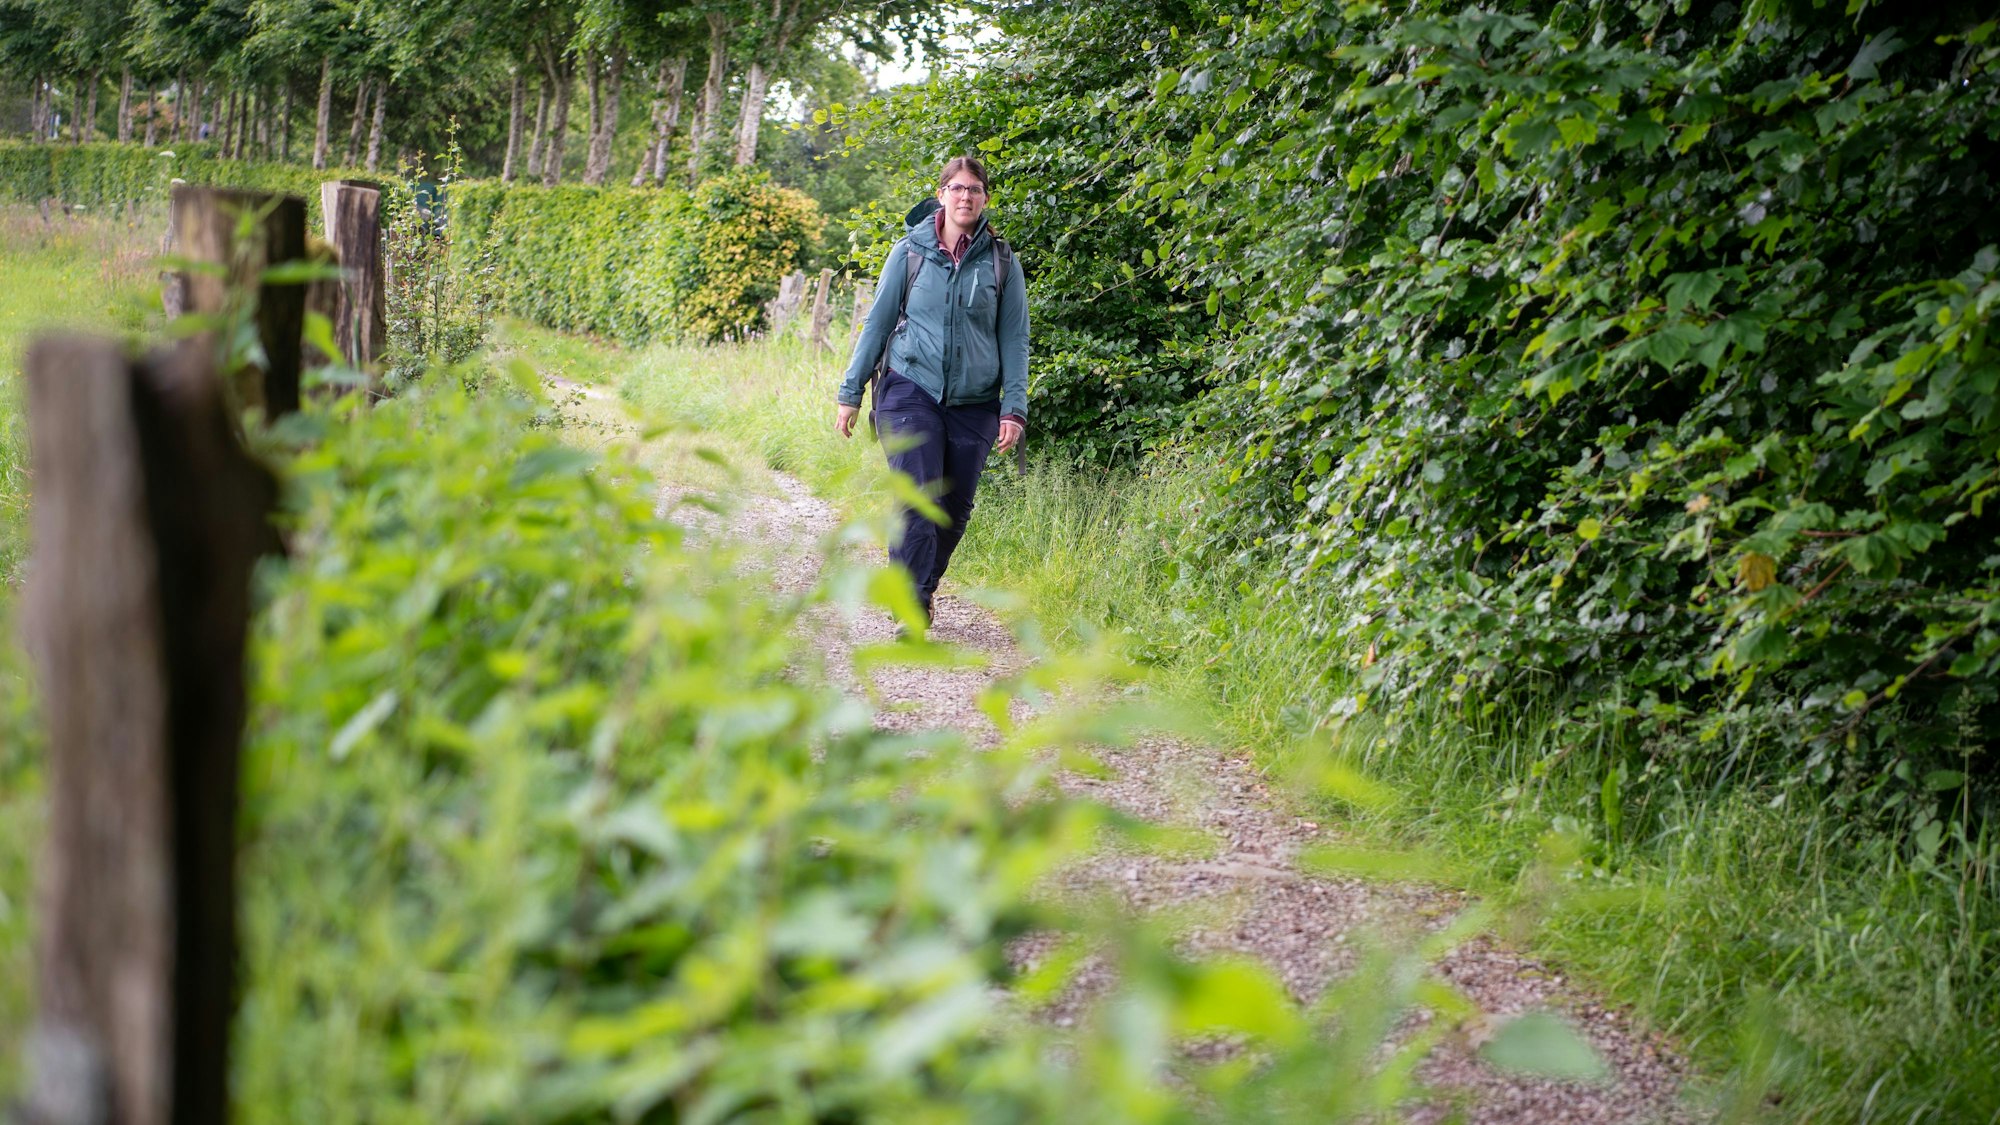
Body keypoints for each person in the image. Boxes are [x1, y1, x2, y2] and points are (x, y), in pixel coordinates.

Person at [835, 155, 1028, 635]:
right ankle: (912, 605)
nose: (966, 197)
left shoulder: (1002, 261)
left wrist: (1015, 407)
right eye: (957, 188)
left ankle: (918, 587)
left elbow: (1014, 339)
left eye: (975, 190)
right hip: (910, 388)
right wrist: (851, 391)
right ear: (941, 194)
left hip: (976, 400)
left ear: (985, 198)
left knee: (954, 507)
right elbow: (877, 322)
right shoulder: (910, 252)